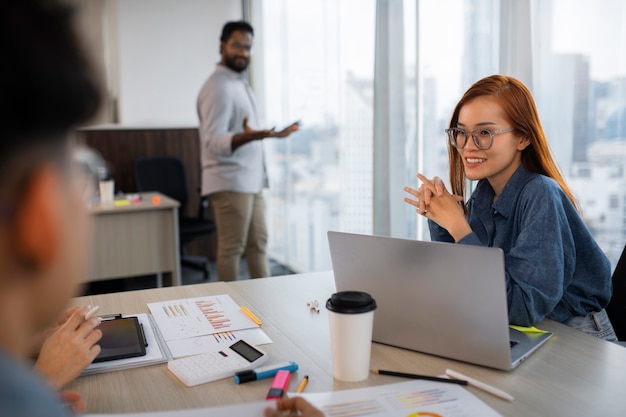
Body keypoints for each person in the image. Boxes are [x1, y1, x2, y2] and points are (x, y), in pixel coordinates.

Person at [404, 74, 617, 341]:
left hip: (576, 335)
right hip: (524, 329)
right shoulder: (484, 193)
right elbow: (464, 282)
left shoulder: (541, 193)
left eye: (484, 133)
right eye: (461, 132)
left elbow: (521, 307)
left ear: (523, 139)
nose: (468, 146)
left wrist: (458, 225)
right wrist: (440, 216)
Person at [197, 20, 299, 281]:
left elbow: (244, 133)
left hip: (250, 181)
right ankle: (228, 313)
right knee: (232, 250)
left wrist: (272, 134)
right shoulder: (218, 87)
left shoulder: (237, 83)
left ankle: (262, 309)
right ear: (223, 46)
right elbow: (213, 141)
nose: (243, 52)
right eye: (237, 46)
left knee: (258, 246)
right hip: (231, 181)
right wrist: (248, 136)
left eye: (248, 47)